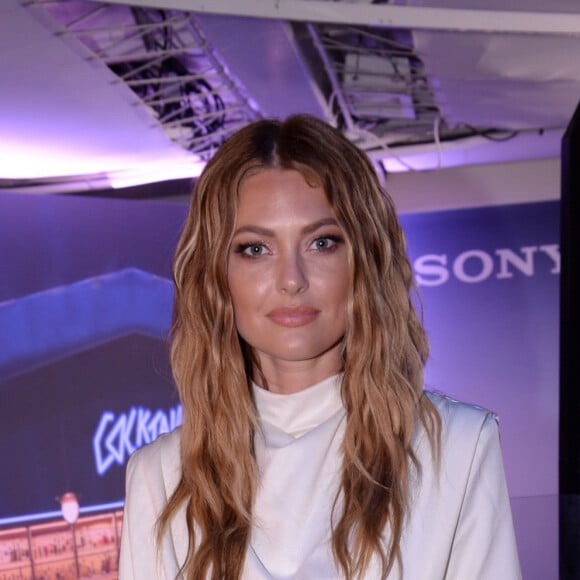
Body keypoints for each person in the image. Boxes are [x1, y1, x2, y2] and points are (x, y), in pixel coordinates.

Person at [118, 114, 521, 579]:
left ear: (364, 260)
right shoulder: (161, 476)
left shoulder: (458, 448)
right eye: (255, 249)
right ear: (215, 275)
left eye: (322, 242)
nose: (291, 279)